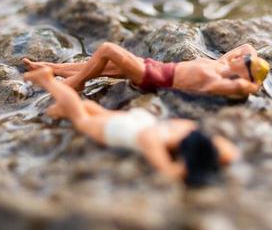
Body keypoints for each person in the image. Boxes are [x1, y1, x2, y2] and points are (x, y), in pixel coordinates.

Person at [23, 66, 238, 186]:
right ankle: (47, 81)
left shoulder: (188, 129)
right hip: (126, 131)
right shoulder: (155, 141)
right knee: (81, 120)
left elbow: (228, 151)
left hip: (141, 121)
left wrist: (208, 154)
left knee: (97, 113)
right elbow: (161, 162)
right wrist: (178, 168)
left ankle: (63, 108)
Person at [22, 42, 270, 99]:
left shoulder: (217, 81)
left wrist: (254, 83)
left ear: (245, 72)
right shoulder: (222, 64)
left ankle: (75, 83)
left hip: (153, 77)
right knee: (105, 66)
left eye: (246, 62)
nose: (244, 57)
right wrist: (255, 65)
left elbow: (243, 87)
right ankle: (53, 68)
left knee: (108, 50)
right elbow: (247, 46)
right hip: (157, 67)